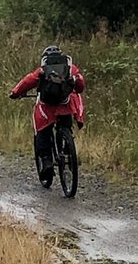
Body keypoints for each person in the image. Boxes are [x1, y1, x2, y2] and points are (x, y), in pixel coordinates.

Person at [9, 46, 85, 186]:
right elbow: (80, 86)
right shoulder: (71, 68)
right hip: (65, 106)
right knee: (66, 127)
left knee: (42, 132)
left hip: (47, 108)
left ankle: (46, 161)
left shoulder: (42, 70)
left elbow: (27, 82)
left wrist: (15, 93)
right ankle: (68, 149)